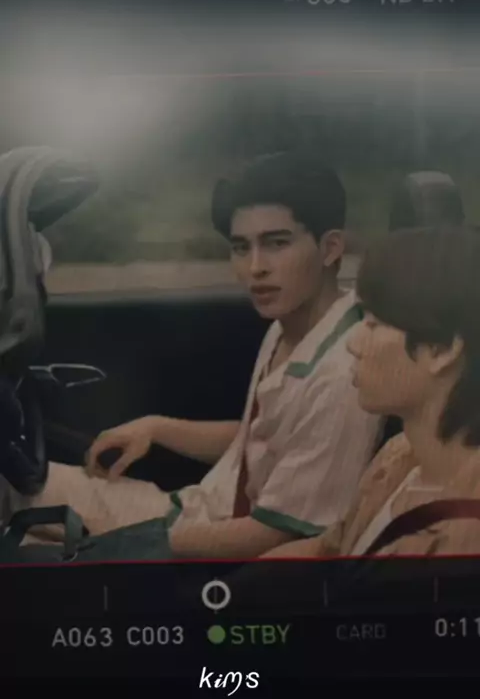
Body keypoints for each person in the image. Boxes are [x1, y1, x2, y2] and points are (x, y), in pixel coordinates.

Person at [3, 152, 381, 558]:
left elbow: (278, 537)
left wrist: (121, 549)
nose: (256, 267)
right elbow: (264, 441)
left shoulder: (343, 373)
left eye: (277, 243)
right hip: (187, 512)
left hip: (206, 550)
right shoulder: (292, 326)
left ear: (330, 248)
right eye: (241, 247)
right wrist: (158, 427)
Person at [262, 225, 480, 559]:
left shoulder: (465, 537)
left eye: (374, 324)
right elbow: (329, 550)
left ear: (441, 350)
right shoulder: (401, 455)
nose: (353, 342)